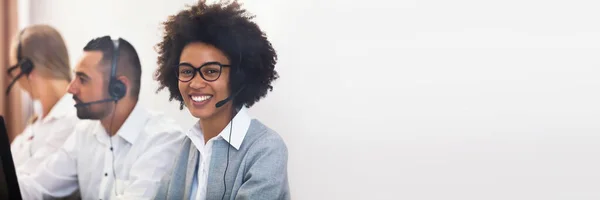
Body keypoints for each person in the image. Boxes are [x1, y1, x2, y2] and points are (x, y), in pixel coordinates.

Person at [17, 36, 185, 200]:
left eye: (82, 79)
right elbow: (37, 186)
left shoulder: (163, 140)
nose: (70, 88)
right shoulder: (85, 133)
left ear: (118, 88)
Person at [152, 1, 290, 199]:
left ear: (238, 77)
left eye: (210, 71)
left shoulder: (266, 149)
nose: (196, 83)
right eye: (187, 71)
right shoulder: (184, 147)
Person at [5, 25, 78, 176]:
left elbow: (34, 183)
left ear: (26, 69)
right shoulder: (36, 124)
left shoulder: (72, 119)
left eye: (14, 70)